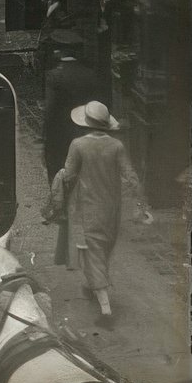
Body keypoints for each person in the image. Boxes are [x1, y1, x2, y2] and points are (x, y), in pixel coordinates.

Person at [48, 100, 152, 321]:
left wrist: (57, 190)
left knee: (92, 252)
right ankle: (91, 284)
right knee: (103, 249)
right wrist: (141, 206)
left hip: (88, 208)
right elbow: (131, 177)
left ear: (85, 123)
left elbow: (69, 175)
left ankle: (105, 309)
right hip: (112, 208)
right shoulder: (117, 146)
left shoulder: (77, 145)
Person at [43, 32, 99, 185]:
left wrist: (46, 136)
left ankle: (60, 204)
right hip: (83, 129)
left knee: (58, 169)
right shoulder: (90, 74)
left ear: (60, 51)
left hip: (59, 132)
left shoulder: (54, 76)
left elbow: (50, 109)